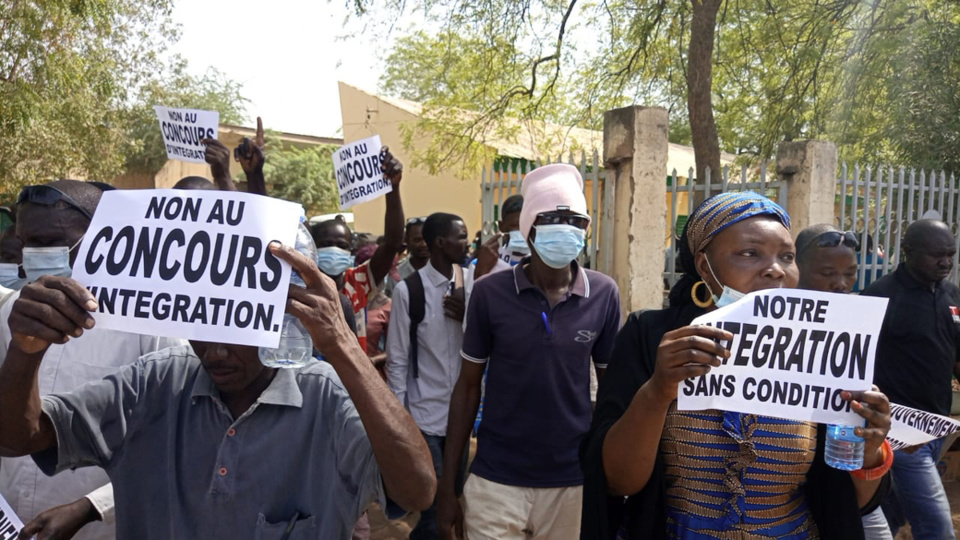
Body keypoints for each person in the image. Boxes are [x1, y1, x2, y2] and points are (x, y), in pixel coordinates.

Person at [0, 237, 436, 540]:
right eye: (202, 327)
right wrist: (25, 350)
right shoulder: (152, 383)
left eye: (237, 330)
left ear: (276, 318)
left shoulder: (327, 399)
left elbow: (417, 491)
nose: (216, 351)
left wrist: (341, 344)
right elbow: (18, 437)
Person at [580, 192, 893, 540]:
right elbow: (617, 482)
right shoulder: (651, 336)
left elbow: (849, 505)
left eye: (786, 257)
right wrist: (657, 391)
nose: (775, 269)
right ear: (704, 266)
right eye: (749, 253)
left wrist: (868, 448)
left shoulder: (824, 348)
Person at [437, 163, 621, 540]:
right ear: (529, 227)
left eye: (576, 221)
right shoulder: (490, 293)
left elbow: (612, 393)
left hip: (572, 480)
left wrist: (610, 473)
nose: (566, 228)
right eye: (553, 219)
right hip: (496, 480)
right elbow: (467, 388)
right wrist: (448, 486)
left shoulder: (603, 293)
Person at [0, 180, 186, 540]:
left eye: (48, 242)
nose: (32, 257)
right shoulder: (11, 313)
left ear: (103, 237)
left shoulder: (153, 326)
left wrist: (92, 507)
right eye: (26, 244)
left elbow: (175, 444)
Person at [861, 219, 960, 540]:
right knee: (937, 525)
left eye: (950, 254)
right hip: (900, 432)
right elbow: (857, 364)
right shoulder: (880, 297)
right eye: (936, 255)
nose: (945, 263)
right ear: (908, 251)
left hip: (936, 427)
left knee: (893, 512)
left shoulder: (951, 294)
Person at [795, 224, 892, 540]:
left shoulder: (857, 327)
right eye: (827, 273)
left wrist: (876, 435)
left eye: (850, 274)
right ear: (796, 269)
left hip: (846, 475)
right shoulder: (776, 329)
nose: (841, 284)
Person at [387, 212, 469, 540]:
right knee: (434, 502)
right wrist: (397, 417)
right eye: (461, 237)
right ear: (441, 243)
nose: (467, 243)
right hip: (423, 415)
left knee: (454, 494)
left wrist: (468, 315)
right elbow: (397, 359)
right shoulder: (409, 291)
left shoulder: (472, 283)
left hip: (461, 414)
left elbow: (489, 341)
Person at [310, 148, 405, 354]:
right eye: (326, 243)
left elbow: (392, 242)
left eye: (342, 245)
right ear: (313, 247)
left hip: (350, 371)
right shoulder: (301, 284)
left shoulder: (358, 281)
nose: (334, 249)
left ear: (351, 250)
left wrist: (393, 189)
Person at [385, 217, 430, 297]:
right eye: (417, 240)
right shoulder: (396, 274)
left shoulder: (442, 270)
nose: (423, 244)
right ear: (406, 240)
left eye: (427, 239)